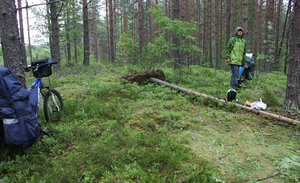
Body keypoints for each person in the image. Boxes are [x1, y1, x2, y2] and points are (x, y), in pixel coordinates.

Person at [226, 27, 247, 101]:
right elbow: (228, 49)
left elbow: (244, 53)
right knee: (235, 75)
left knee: (237, 76)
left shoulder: (243, 41)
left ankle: (232, 92)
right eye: (239, 31)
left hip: (239, 61)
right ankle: (233, 89)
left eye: (241, 31)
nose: (240, 32)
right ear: (236, 32)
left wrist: (244, 63)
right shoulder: (233, 40)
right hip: (233, 60)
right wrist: (228, 58)